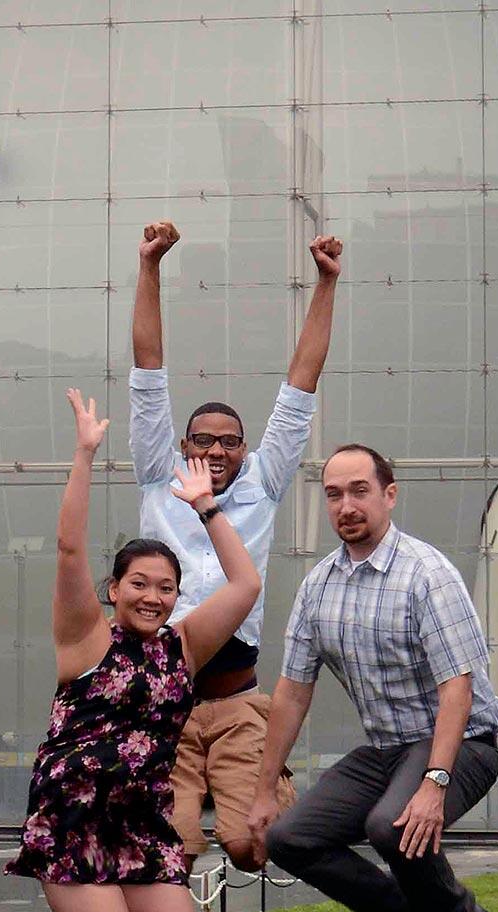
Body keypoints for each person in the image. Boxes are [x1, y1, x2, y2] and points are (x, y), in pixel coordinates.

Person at [0, 391, 261, 912]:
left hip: (145, 826)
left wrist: (206, 507)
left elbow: (245, 587)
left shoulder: (182, 649)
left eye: (165, 587)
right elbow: (70, 547)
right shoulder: (86, 641)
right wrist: (84, 453)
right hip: (75, 826)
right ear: (114, 588)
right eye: (139, 583)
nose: (152, 596)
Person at [246, 444, 498, 912]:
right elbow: (291, 691)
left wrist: (435, 783)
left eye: (359, 490)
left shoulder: (427, 574)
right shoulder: (318, 587)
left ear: (389, 495)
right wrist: (264, 790)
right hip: (385, 749)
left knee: (392, 826)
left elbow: (457, 690)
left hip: (460, 743)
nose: (346, 505)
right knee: (291, 839)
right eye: (333, 494)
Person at [131, 220, 341, 871]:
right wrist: (150, 267)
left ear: (245, 451)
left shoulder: (263, 483)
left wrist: (327, 282)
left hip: (236, 699)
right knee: (174, 849)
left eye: (230, 441)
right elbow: (148, 371)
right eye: (204, 440)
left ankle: (265, 792)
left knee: (253, 847)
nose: (216, 450)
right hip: (166, 701)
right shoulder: (157, 474)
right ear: (184, 446)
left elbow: (300, 386)